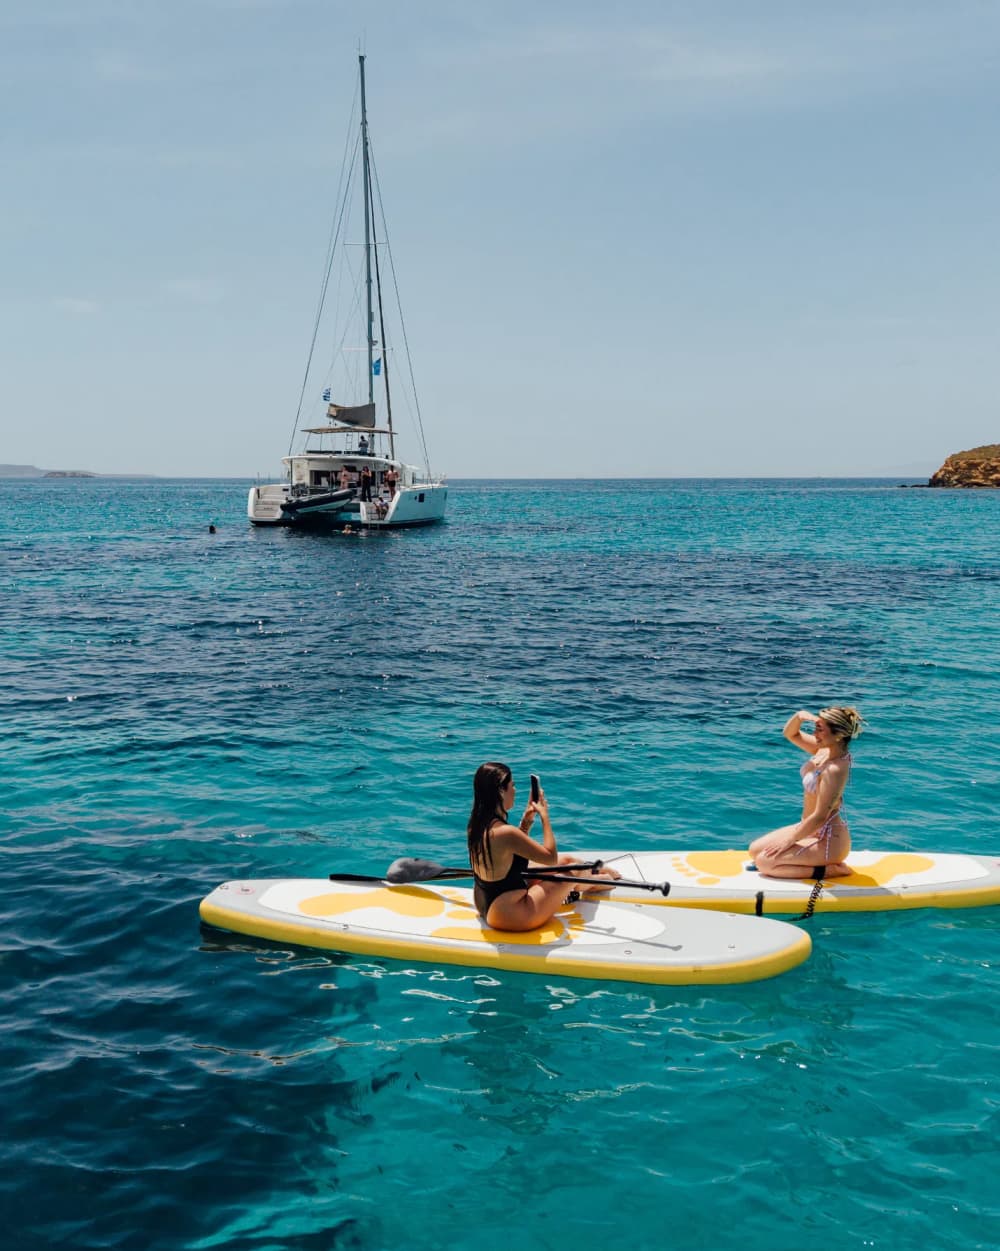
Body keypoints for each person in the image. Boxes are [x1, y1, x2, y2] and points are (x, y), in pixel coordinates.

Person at [466, 762, 618, 931]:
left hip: (486, 902)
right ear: (501, 791)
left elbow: (511, 851)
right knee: (572, 871)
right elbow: (550, 858)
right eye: (512, 785)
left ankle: (588, 878)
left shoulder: (476, 825)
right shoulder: (506, 833)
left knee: (568, 860)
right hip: (512, 914)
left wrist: (527, 819)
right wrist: (544, 815)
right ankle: (600, 881)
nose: (515, 790)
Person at [748, 706, 865, 880]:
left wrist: (789, 841)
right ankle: (802, 853)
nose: (815, 734)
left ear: (838, 734)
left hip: (827, 839)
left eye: (820, 729)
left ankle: (832, 870)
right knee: (754, 851)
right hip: (807, 827)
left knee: (765, 862)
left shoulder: (835, 769)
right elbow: (791, 734)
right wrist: (798, 716)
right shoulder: (824, 750)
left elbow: (820, 816)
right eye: (815, 728)